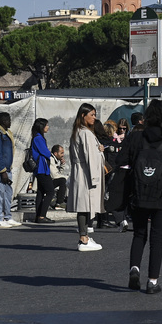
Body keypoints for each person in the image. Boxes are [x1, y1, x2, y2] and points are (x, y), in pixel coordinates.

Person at [117, 99, 162, 294]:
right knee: (157, 238)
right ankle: (152, 281)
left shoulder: (136, 137)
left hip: (139, 192)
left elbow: (122, 159)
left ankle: (134, 269)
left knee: (139, 234)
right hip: (161, 194)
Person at [66, 103, 105, 252]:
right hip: (86, 173)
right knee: (84, 205)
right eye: (92, 115)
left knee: (83, 205)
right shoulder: (86, 133)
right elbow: (91, 157)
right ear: (83, 115)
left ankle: (85, 236)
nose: (94, 118)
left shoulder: (77, 132)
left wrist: (99, 149)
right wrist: (95, 178)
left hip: (80, 171)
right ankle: (84, 238)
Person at [0, 112, 21, 228]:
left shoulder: (6, 133)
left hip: (8, 169)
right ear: (2, 121)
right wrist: (2, 171)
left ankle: (8, 217)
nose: (10, 121)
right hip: (1, 171)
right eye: (7, 119)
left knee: (8, 194)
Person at [30, 118, 55, 223]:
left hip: (40, 168)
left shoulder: (36, 137)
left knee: (40, 192)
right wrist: (51, 153)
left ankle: (39, 215)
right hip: (41, 168)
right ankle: (42, 216)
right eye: (46, 125)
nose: (47, 127)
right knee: (50, 191)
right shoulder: (38, 138)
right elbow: (45, 152)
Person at [49, 144, 67, 210]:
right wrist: (66, 177)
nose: (63, 155)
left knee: (63, 180)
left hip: (53, 180)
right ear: (55, 153)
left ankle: (64, 200)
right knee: (63, 180)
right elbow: (54, 175)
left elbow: (59, 173)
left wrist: (62, 165)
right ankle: (59, 203)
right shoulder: (51, 159)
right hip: (48, 181)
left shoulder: (56, 159)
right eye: (61, 153)